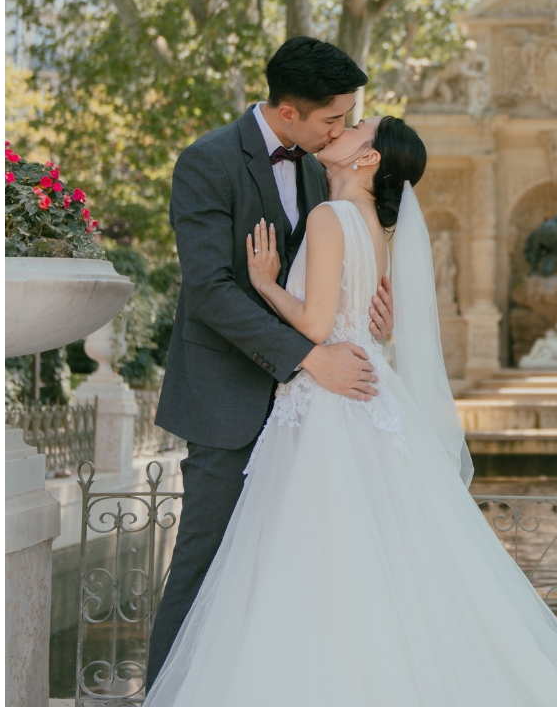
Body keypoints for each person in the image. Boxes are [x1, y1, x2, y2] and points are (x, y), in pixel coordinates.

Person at [145, 116, 557, 705]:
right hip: (367, 392)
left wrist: (264, 283)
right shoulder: (374, 227)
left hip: (328, 402)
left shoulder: (328, 216)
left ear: (367, 159)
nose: (348, 125)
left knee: (310, 553)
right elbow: (363, 316)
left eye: (358, 127)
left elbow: (315, 325)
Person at [147, 37, 395, 686]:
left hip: (308, 419)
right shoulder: (205, 162)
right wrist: (311, 356)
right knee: (204, 569)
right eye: (331, 120)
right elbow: (209, 290)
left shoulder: (318, 170)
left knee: (292, 571)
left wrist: (367, 310)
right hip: (228, 399)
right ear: (288, 112)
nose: (340, 130)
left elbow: (323, 278)